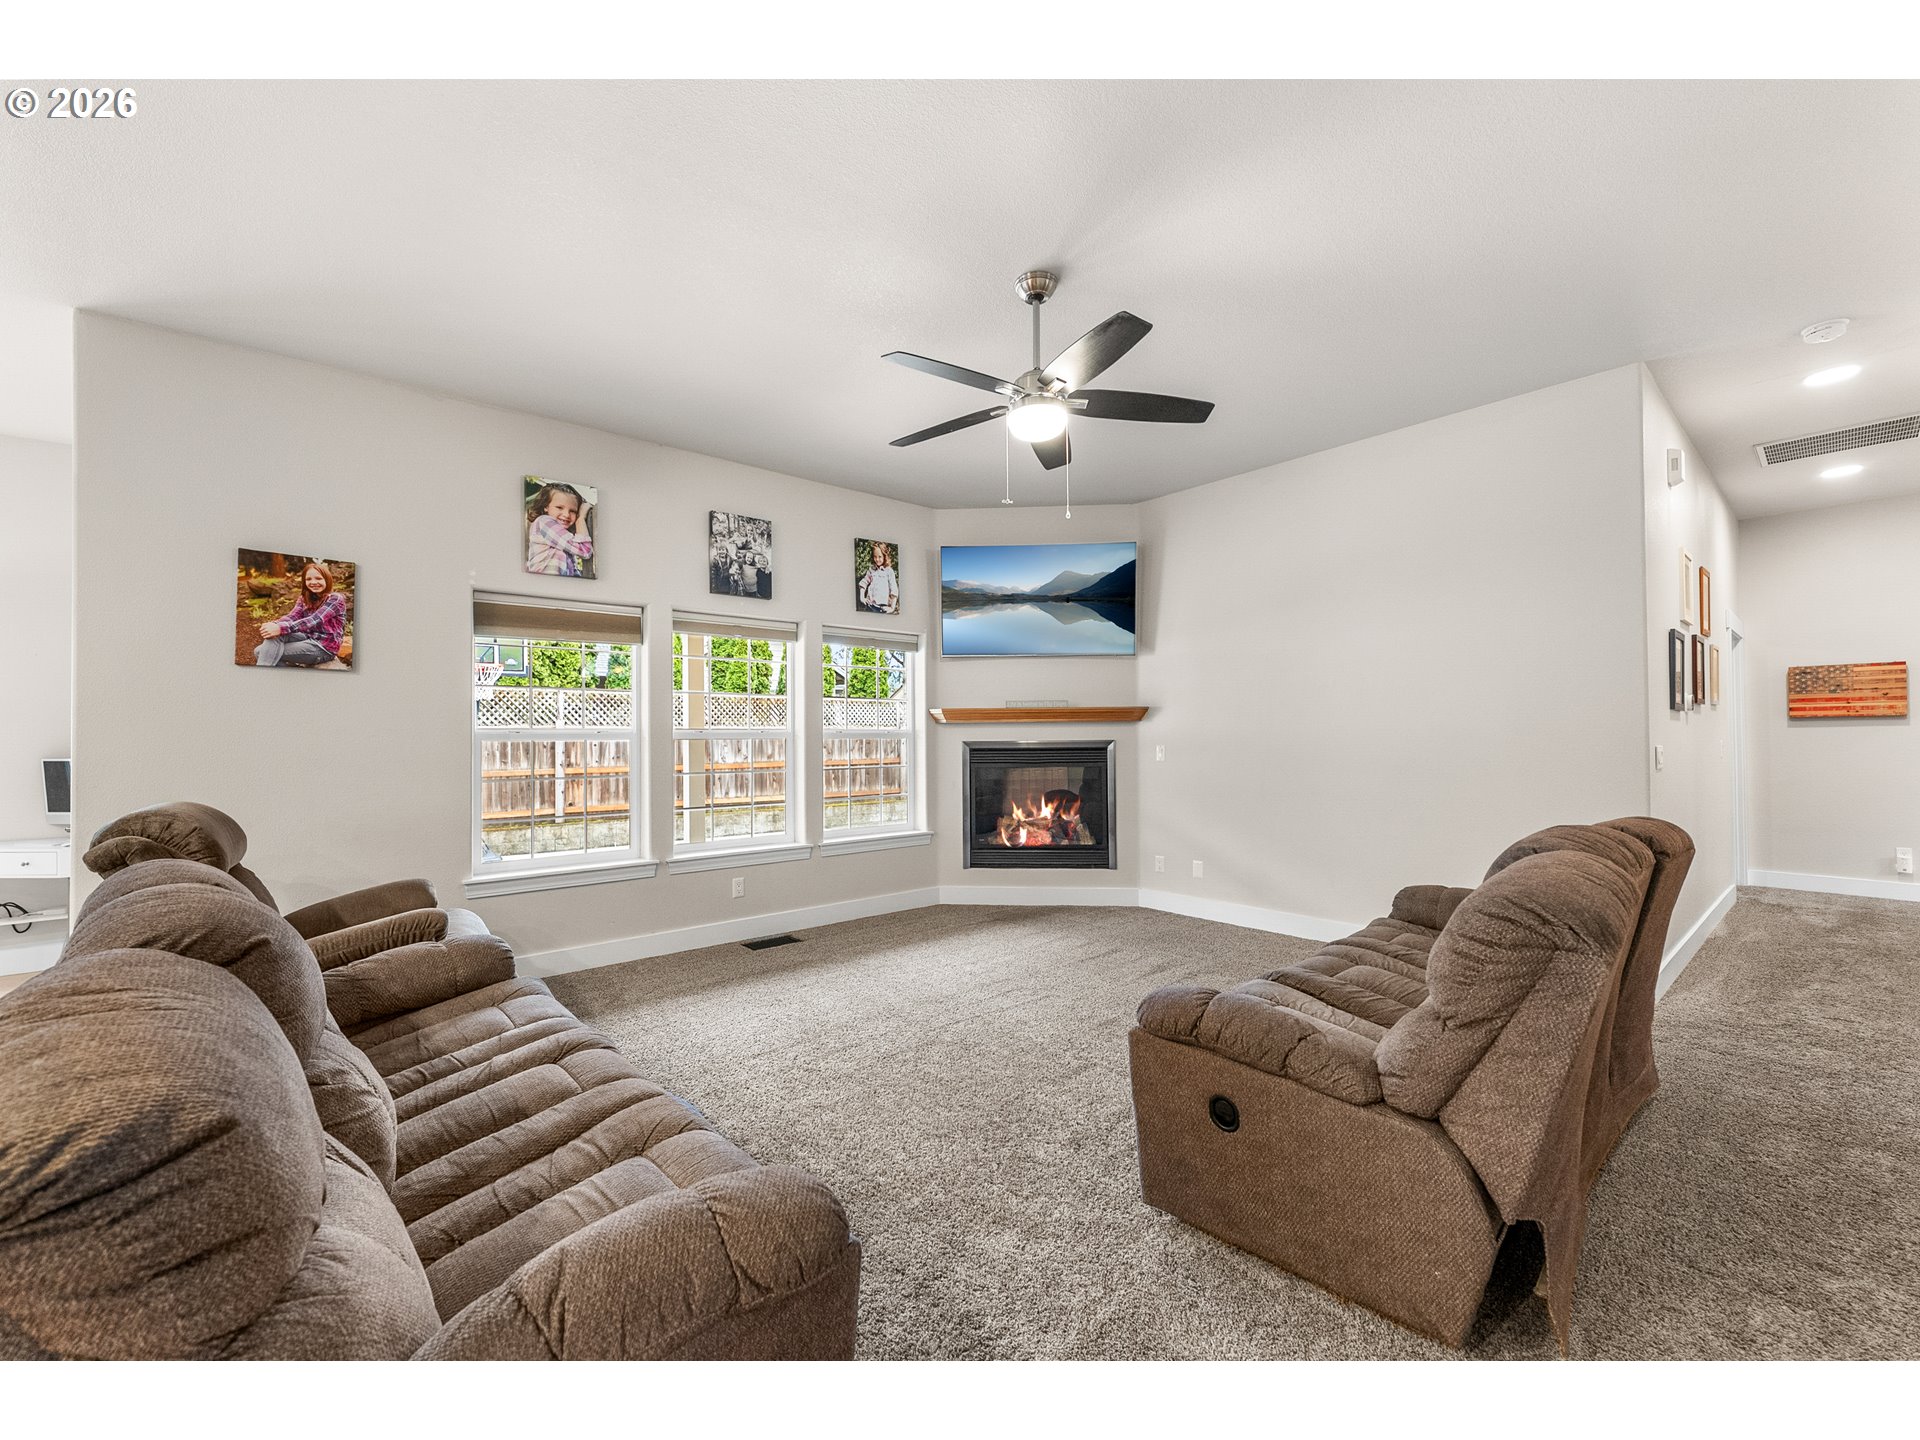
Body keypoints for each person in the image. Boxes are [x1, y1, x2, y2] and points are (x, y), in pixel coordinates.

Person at [255, 560, 347, 667]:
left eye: (318, 578)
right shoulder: (304, 598)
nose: (313, 582)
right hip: (307, 637)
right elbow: (292, 616)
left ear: (327, 579)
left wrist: (280, 628)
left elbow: (314, 620)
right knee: (262, 649)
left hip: (323, 647)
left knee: (262, 652)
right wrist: (274, 625)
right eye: (308, 579)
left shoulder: (335, 599)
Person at [525, 481, 595, 577]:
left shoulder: (563, 539)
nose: (566, 515)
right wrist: (580, 518)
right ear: (546, 506)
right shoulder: (544, 522)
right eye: (559, 507)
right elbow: (585, 551)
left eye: (573, 511)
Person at [858, 541, 899, 614]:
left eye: (879, 557)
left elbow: (894, 590)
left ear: (884, 556)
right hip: (870, 606)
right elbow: (863, 583)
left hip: (883, 608)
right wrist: (862, 597)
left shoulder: (889, 571)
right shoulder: (871, 570)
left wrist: (892, 608)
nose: (877, 559)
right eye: (875, 556)